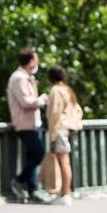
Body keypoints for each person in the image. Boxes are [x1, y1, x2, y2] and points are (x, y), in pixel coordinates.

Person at [5, 48, 44, 204]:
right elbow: (26, 102)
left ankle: (32, 191)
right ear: (31, 61)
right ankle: (18, 180)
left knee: (31, 157)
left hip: (33, 124)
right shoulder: (19, 78)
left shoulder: (28, 77)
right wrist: (42, 100)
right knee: (40, 154)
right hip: (24, 124)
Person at [42, 65, 83, 202]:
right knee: (64, 161)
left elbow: (54, 113)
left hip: (59, 129)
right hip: (67, 128)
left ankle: (64, 194)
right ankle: (63, 193)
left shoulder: (55, 90)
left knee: (63, 162)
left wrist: (52, 135)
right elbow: (78, 110)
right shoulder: (68, 90)